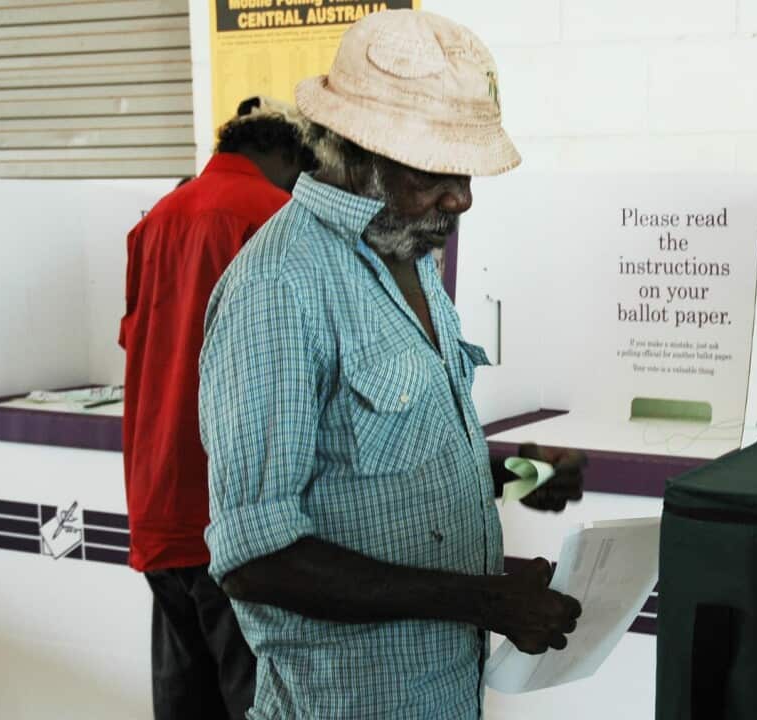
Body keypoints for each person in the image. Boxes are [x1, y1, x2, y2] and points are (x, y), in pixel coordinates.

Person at [198, 10, 586, 718]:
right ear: (358, 156)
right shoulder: (278, 287)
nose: (461, 196)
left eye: (462, 169)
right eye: (433, 170)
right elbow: (257, 559)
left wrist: (520, 473)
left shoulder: (409, 251)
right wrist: (482, 598)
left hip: (441, 689)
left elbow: (377, 465)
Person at [119, 97, 317, 720]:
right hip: (232, 511)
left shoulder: (155, 221)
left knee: (184, 700)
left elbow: (136, 340)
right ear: (285, 156)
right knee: (255, 698)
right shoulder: (276, 218)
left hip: (156, 501)